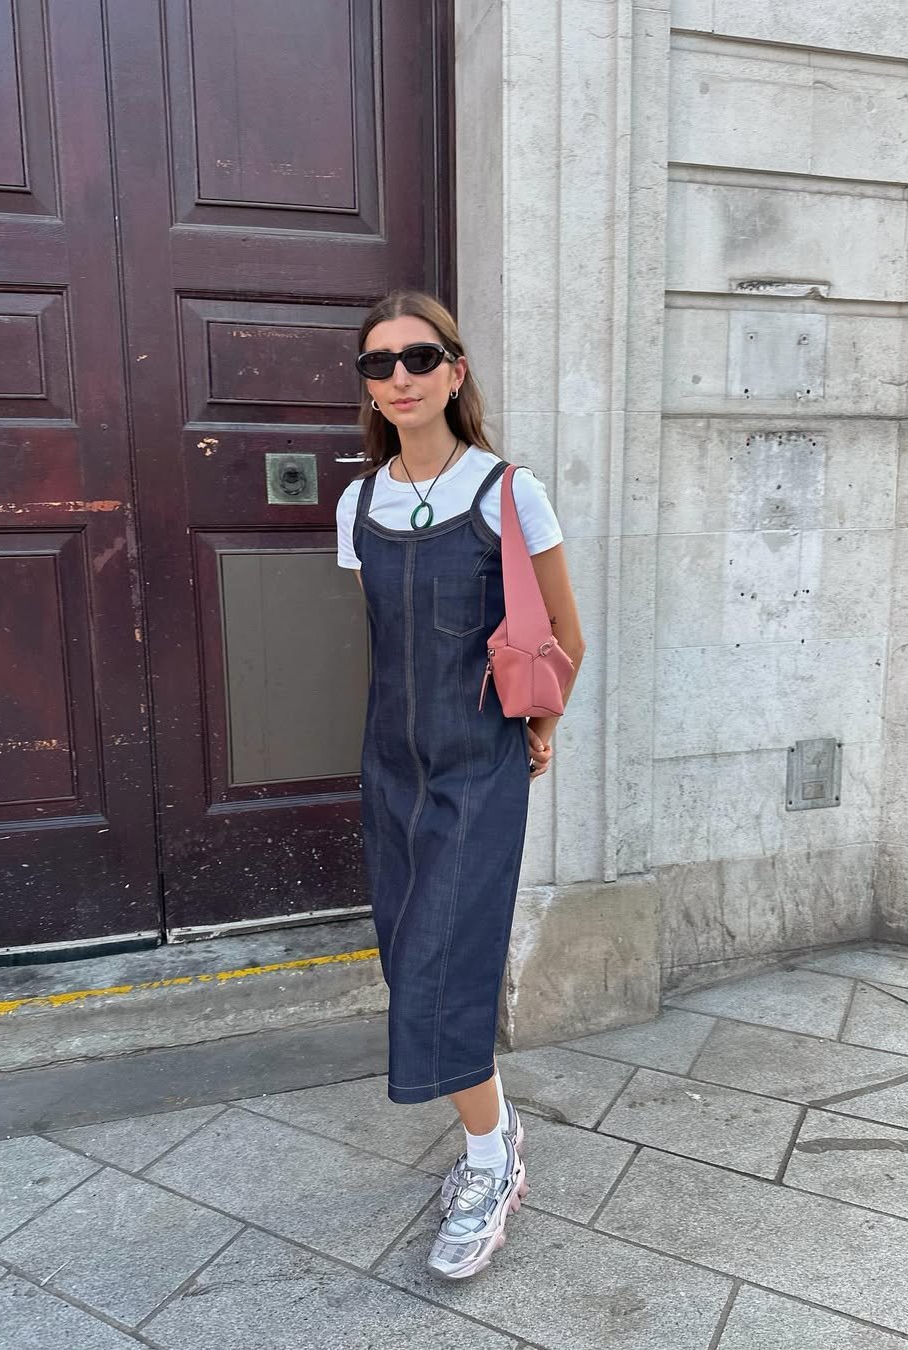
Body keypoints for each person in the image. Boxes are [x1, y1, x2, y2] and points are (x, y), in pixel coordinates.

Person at [335, 291, 585, 1280]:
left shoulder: (508, 493)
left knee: (443, 966)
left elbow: (563, 634)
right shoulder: (359, 505)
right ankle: (496, 1129)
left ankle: (491, 1159)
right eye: (379, 364)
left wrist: (541, 730)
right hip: (390, 769)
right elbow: (385, 644)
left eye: (419, 358)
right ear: (367, 385)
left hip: (479, 766)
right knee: (410, 961)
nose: (399, 377)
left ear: (455, 370)